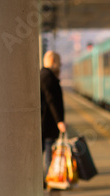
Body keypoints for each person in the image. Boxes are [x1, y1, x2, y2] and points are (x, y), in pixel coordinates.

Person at [40, 51, 66, 183]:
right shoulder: (47, 77)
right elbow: (51, 101)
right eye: (59, 63)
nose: (60, 66)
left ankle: (47, 179)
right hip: (47, 122)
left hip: (45, 122)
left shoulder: (44, 75)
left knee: (45, 150)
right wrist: (59, 121)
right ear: (52, 61)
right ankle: (49, 179)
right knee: (48, 152)